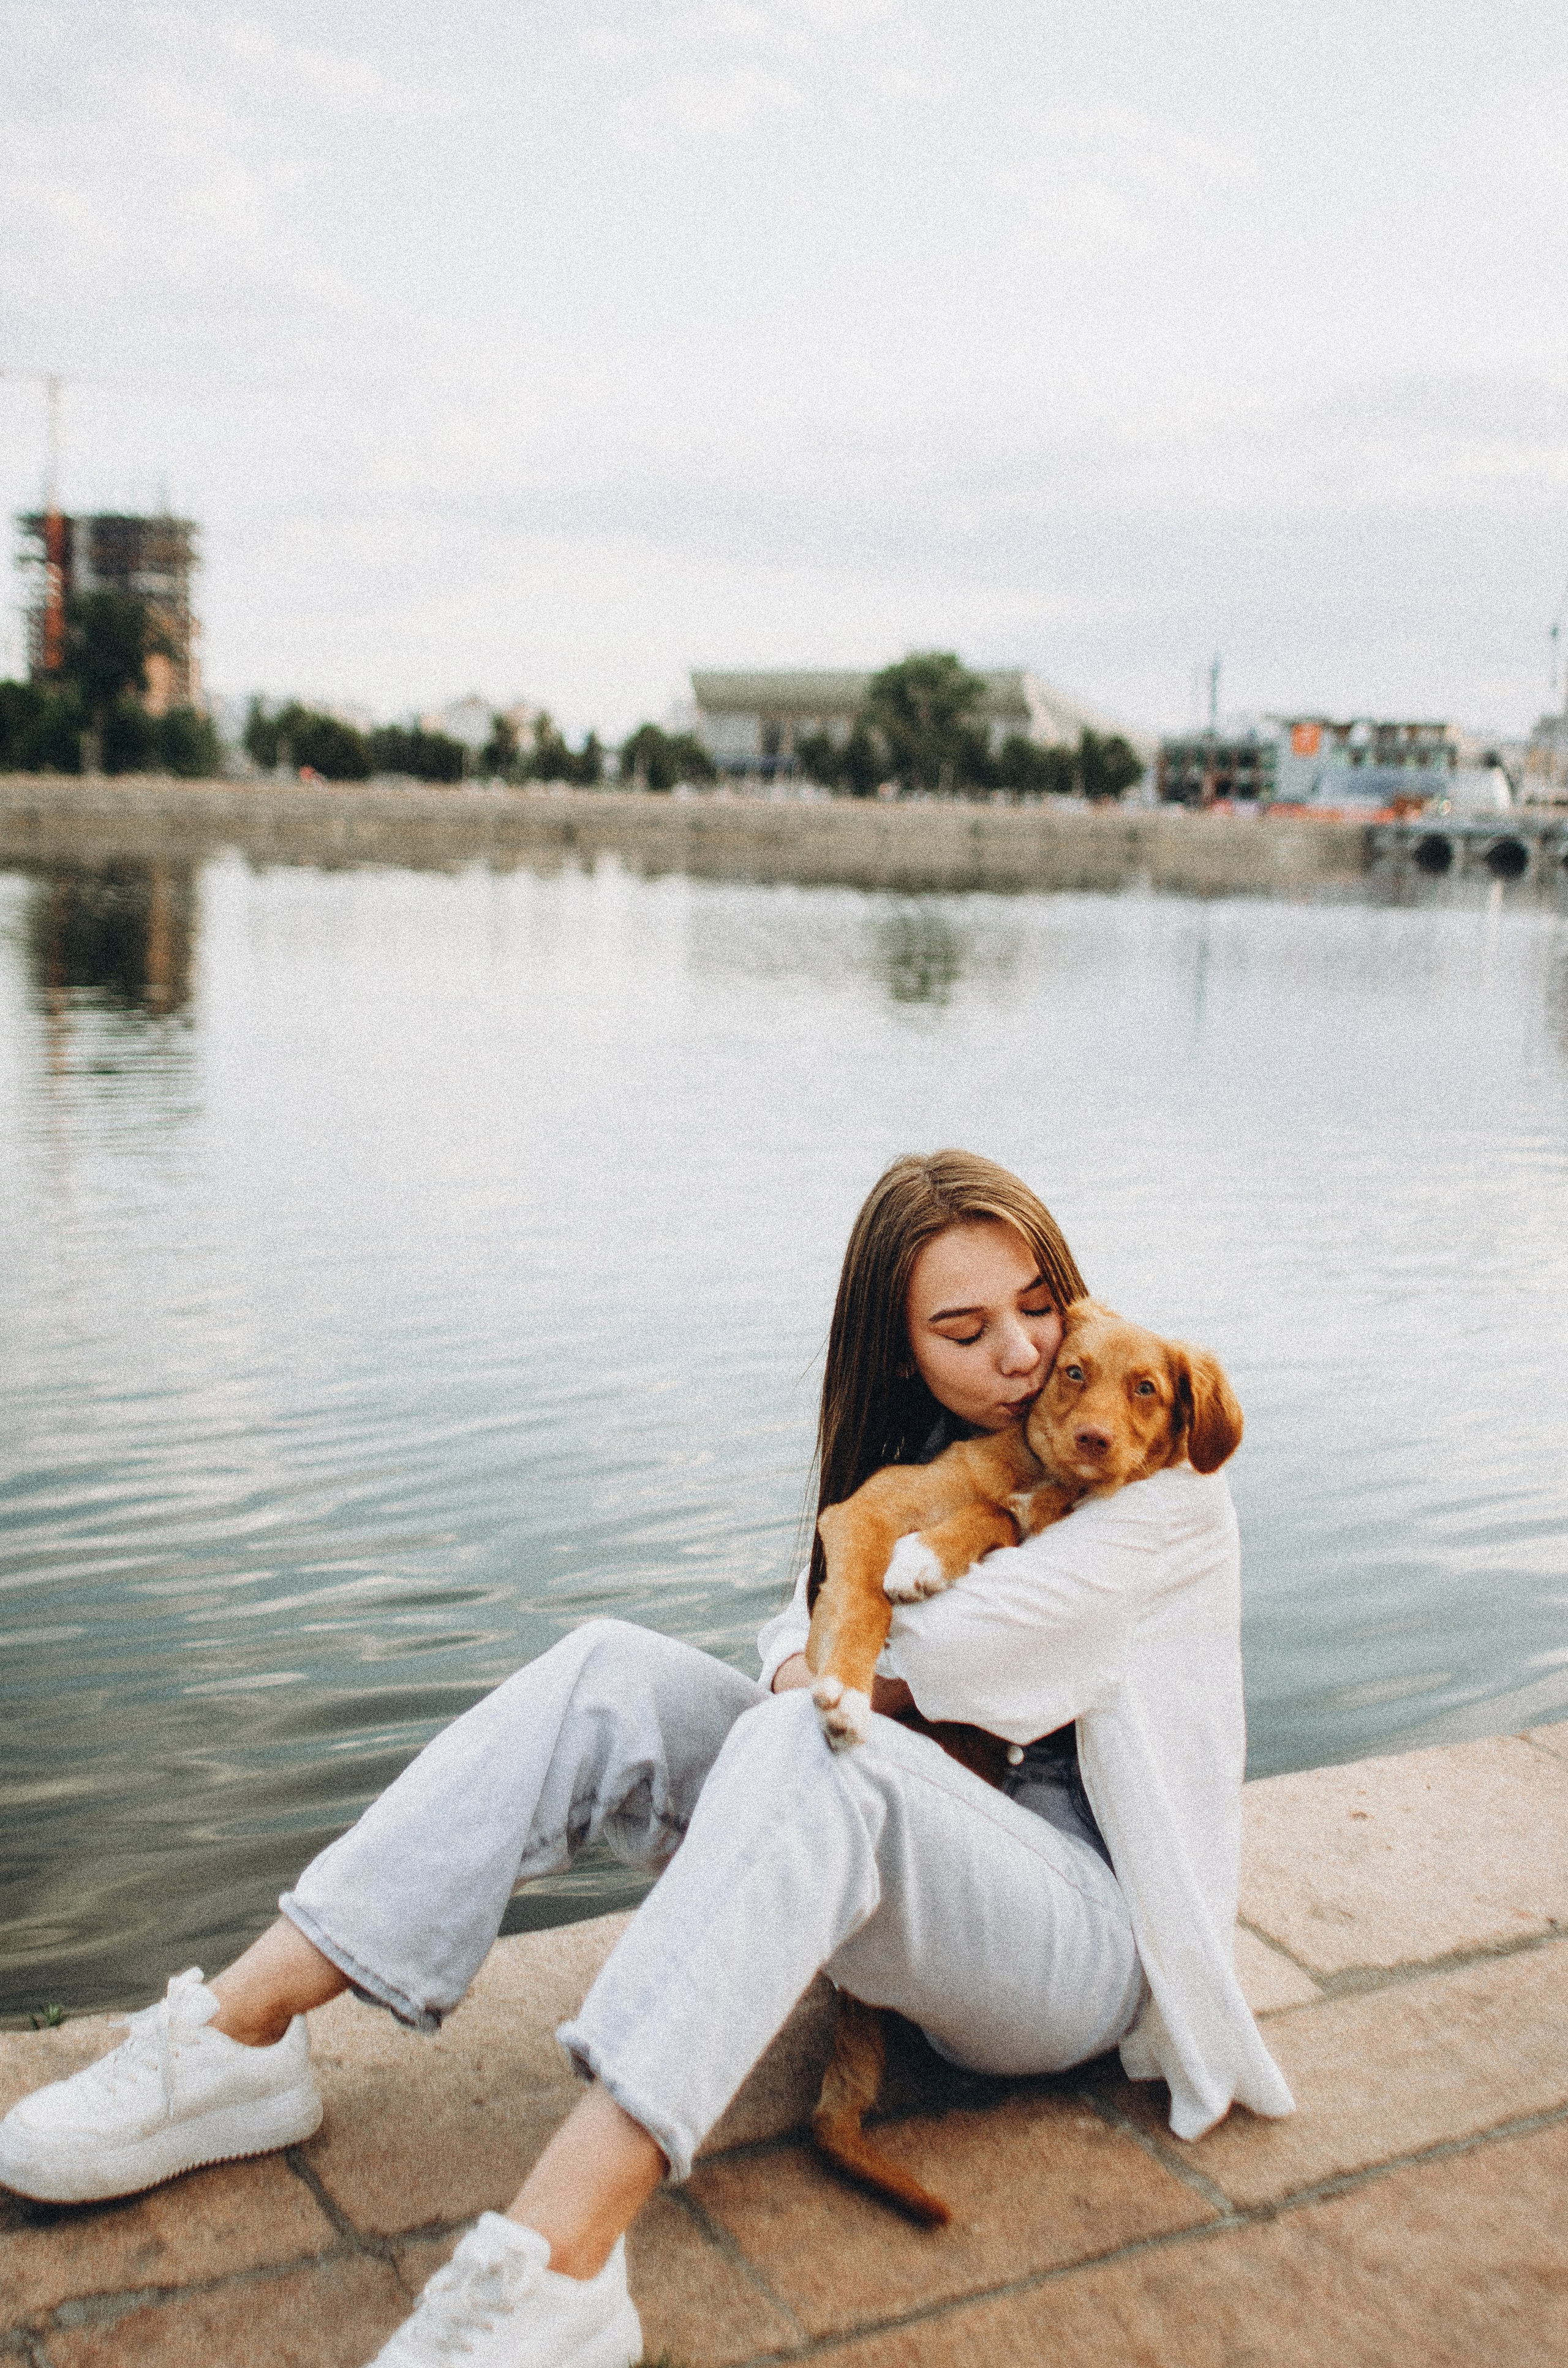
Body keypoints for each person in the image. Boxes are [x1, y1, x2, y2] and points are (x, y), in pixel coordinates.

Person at [0, 1150, 1291, 2368]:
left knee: (811, 1735)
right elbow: (807, 1630)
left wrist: (841, 1634)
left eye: (1037, 1307)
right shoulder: (944, 1469)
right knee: (609, 1671)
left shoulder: (1160, 1476)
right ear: (901, 1360)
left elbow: (932, 1656)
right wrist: (832, 1642)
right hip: (924, 1864)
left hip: (1077, 1945)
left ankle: (556, 2264)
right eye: (963, 1333)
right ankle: (238, 2037)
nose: (1023, 1356)